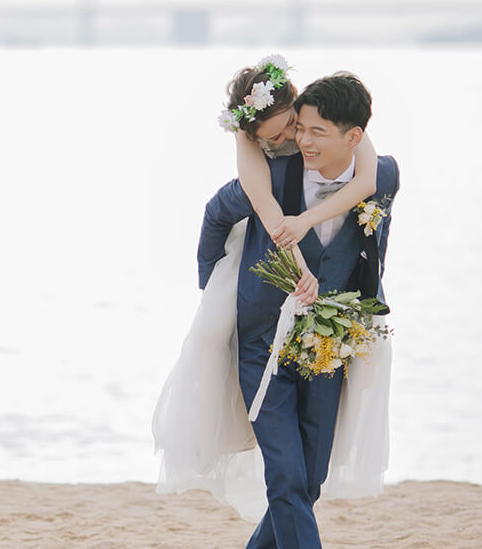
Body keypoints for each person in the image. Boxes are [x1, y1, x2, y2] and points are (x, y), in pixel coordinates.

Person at [196, 72, 399, 549]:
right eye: (298, 129)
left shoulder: (380, 176)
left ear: (352, 137)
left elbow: (372, 246)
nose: (302, 142)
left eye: (316, 132)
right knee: (285, 471)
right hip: (262, 342)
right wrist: (213, 293)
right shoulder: (274, 171)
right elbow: (217, 213)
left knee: (307, 479)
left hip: (331, 345)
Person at [152, 59, 390, 520]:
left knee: (303, 465)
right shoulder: (251, 144)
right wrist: (221, 278)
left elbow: (366, 181)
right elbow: (259, 213)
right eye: (275, 137)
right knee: (209, 333)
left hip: (301, 251)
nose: (288, 142)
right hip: (264, 247)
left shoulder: (325, 123)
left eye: (292, 127)